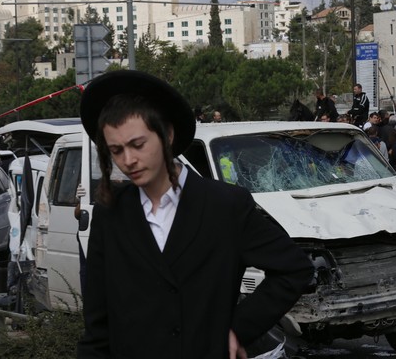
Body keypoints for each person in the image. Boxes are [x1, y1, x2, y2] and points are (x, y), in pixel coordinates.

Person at [76, 70, 313, 358]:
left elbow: (294, 269)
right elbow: (97, 324)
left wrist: (238, 328)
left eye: (138, 145)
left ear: (168, 134)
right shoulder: (110, 213)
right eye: (116, 150)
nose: (128, 160)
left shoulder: (224, 206)